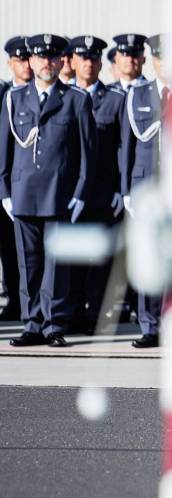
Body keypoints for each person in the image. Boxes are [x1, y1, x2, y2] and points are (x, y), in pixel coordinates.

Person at [1, 34, 95, 347]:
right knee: (28, 263)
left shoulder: (76, 99)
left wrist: (80, 193)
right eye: (40, 57)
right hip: (23, 193)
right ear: (31, 60)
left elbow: (87, 154)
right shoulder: (15, 98)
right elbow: (4, 150)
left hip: (59, 194)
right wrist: (4, 191)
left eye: (53, 57)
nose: (46, 62)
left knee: (56, 266)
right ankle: (32, 324)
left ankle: (53, 325)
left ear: (60, 62)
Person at [70, 36, 126, 334]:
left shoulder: (115, 99)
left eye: (94, 58)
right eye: (83, 58)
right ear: (73, 61)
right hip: (69, 194)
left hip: (103, 193)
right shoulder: (63, 97)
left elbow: (122, 147)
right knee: (71, 257)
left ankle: (95, 316)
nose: (89, 63)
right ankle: (71, 314)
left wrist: (120, 188)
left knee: (99, 260)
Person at [120, 34, 169, 348]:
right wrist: (127, 189)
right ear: (153, 60)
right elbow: (127, 144)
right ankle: (150, 326)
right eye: (160, 57)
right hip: (145, 186)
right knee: (149, 255)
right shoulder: (138, 94)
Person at [0, 36, 32, 323]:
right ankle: (12, 298)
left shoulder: (41, 92)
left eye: (28, 59)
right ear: (10, 63)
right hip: (3, 182)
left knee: (22, 247)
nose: (26, 65)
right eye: (20, 60)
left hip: (25, 184)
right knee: (6, 247)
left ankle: (24, 302)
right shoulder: (3, 93)